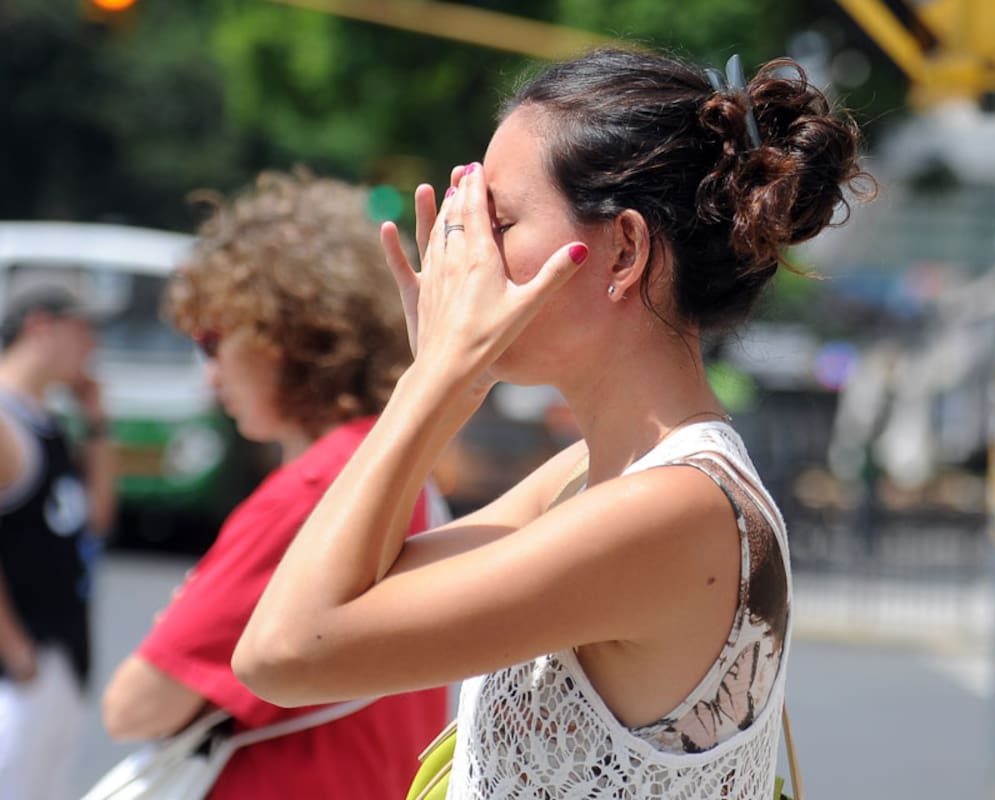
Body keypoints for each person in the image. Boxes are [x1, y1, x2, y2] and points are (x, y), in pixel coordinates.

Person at [234, 50, 870, 798]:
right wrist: (447, 378)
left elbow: (283, 653)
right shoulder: (583, 479)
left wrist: (434, 378)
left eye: (497, 222)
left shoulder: (675, 509)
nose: (464, 254)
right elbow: (354, 590)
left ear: (626, 250)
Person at [100, 171, 450, 798]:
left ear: (282, 334)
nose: (209, 375)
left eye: (212, 342)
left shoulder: (315, 490)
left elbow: (134, 706)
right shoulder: (394, 461)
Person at [0, 284, 116, 800]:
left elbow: (94, 518)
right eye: (83, 329)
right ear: (40, 326)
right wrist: (18, 653)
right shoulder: (6, 422)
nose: (92, 344)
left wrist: (96, 421)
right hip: (18, 670)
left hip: (58, 658)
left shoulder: (44, 418)